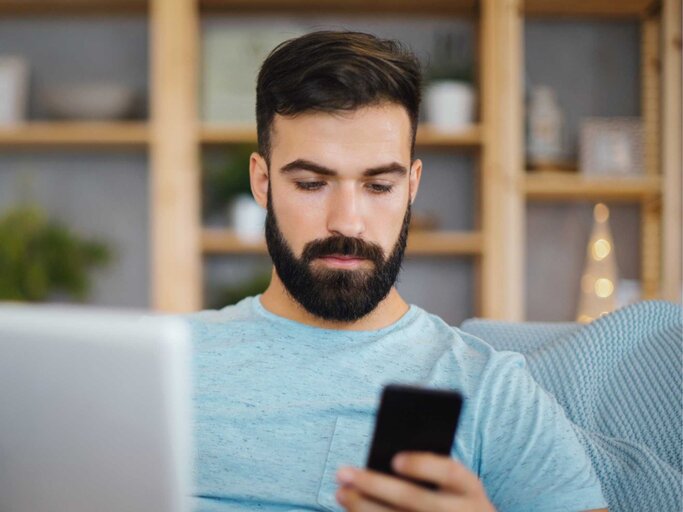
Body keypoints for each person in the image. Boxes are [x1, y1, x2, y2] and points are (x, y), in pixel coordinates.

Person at [185, 31, 609, 512]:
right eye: (310, 183)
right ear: (262, 182)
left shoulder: (488, 389)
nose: (347, 221)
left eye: (378, 185)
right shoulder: (169, 360)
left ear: (412, 186)